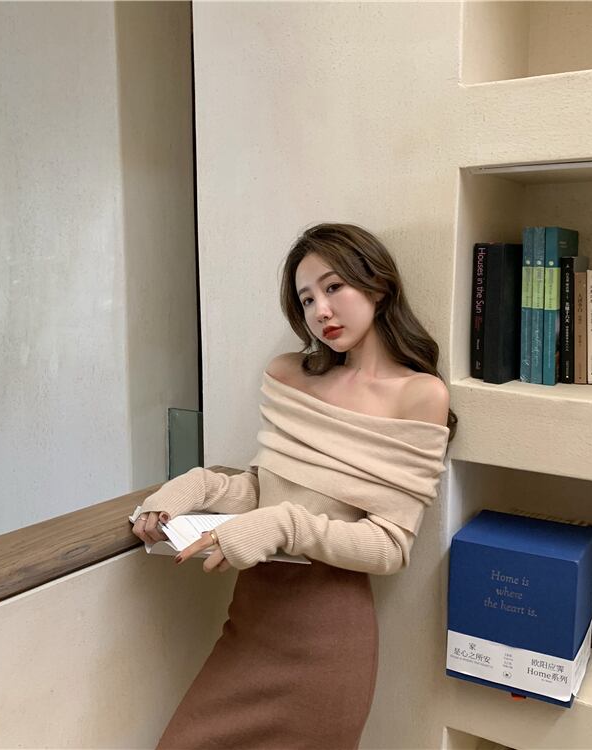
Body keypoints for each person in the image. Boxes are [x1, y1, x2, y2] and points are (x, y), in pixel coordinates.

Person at [131, 222, 457, 749]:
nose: (321, 310)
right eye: (307, 299)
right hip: (251, 620)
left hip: (327, 641)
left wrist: (286, 526)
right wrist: (196, 487)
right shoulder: (288, 376)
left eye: (333, 287)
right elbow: (265, 491)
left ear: (377, 286)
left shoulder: (419, 395)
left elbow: (390, 546)